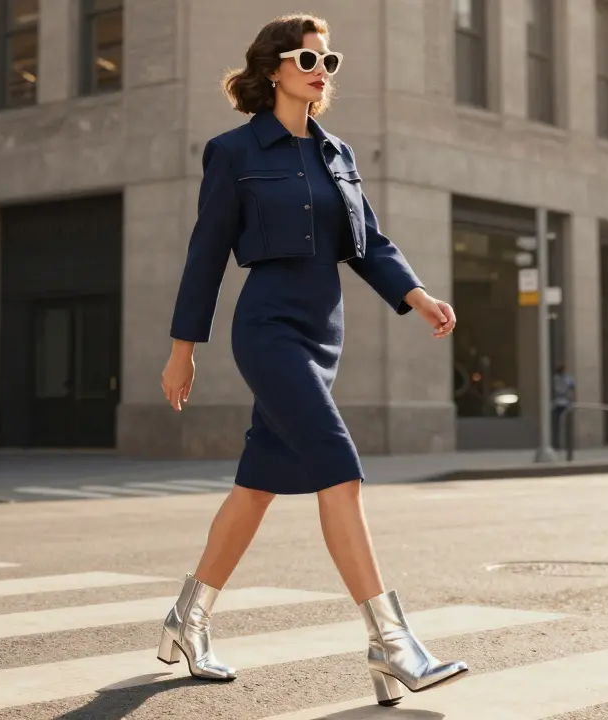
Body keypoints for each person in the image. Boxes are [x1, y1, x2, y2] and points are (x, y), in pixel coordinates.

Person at [156, 14, 467, 708]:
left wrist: (418, 296)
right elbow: (205, 256)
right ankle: (391, 644)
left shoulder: (337, 154)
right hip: (267, 327)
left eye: (330, 60)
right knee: (339, 467)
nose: (321, 70)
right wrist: (183, 352)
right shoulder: (233, 152)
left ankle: (188, 618)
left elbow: (368, 243)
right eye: (307, 58)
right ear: (274, 68)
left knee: (257, 486)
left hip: (325, 330)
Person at [551, 364, 575, 449]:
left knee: (557, 425)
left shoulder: (555, 379)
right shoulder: (566, 378)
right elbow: (572, 388)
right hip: (564, 403)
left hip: (558, 403)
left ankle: (558, 445)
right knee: (563, 425)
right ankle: (562, 445)